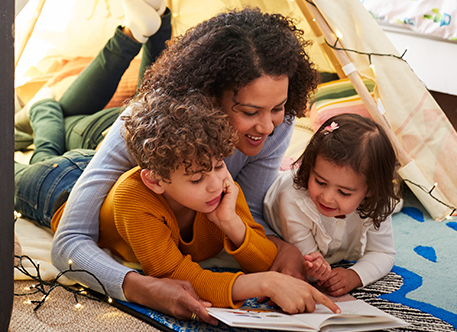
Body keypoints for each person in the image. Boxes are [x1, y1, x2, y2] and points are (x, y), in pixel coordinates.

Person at [42, 3, 321, 323]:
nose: (268, 127)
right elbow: (68, 243)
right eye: (249, 112)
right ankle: (43, 109)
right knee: (51, 134)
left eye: (278, 108)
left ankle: (152, 26)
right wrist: (139, 287)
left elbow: (248, 214)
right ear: (209, 97)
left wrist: (280, 246)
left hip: (147, 194)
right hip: (67, 174)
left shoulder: (276, 124)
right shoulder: (138, 122)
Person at [41, 93, 338, 315]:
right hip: (59, 187)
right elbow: (176, 275)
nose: (215, 184)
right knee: (30, 161)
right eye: (196, 178)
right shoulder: (134, 199)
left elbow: (263, 260)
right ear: (155, 181)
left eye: (220, 165)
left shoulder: (221, 188)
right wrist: (265, 284)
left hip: (105, 175)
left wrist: (233, 225)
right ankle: (45, 107)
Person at [264, 113, 403, 296]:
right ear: (310, 168)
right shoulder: (293, 200)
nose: (327, 198)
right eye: (320, 182)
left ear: (370, 189)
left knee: (393, 203)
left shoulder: (377, 202)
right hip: (276, 191)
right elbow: (306, 264)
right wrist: (316, 270)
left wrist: (354, 275)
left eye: (344, 192)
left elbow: (383, 253)